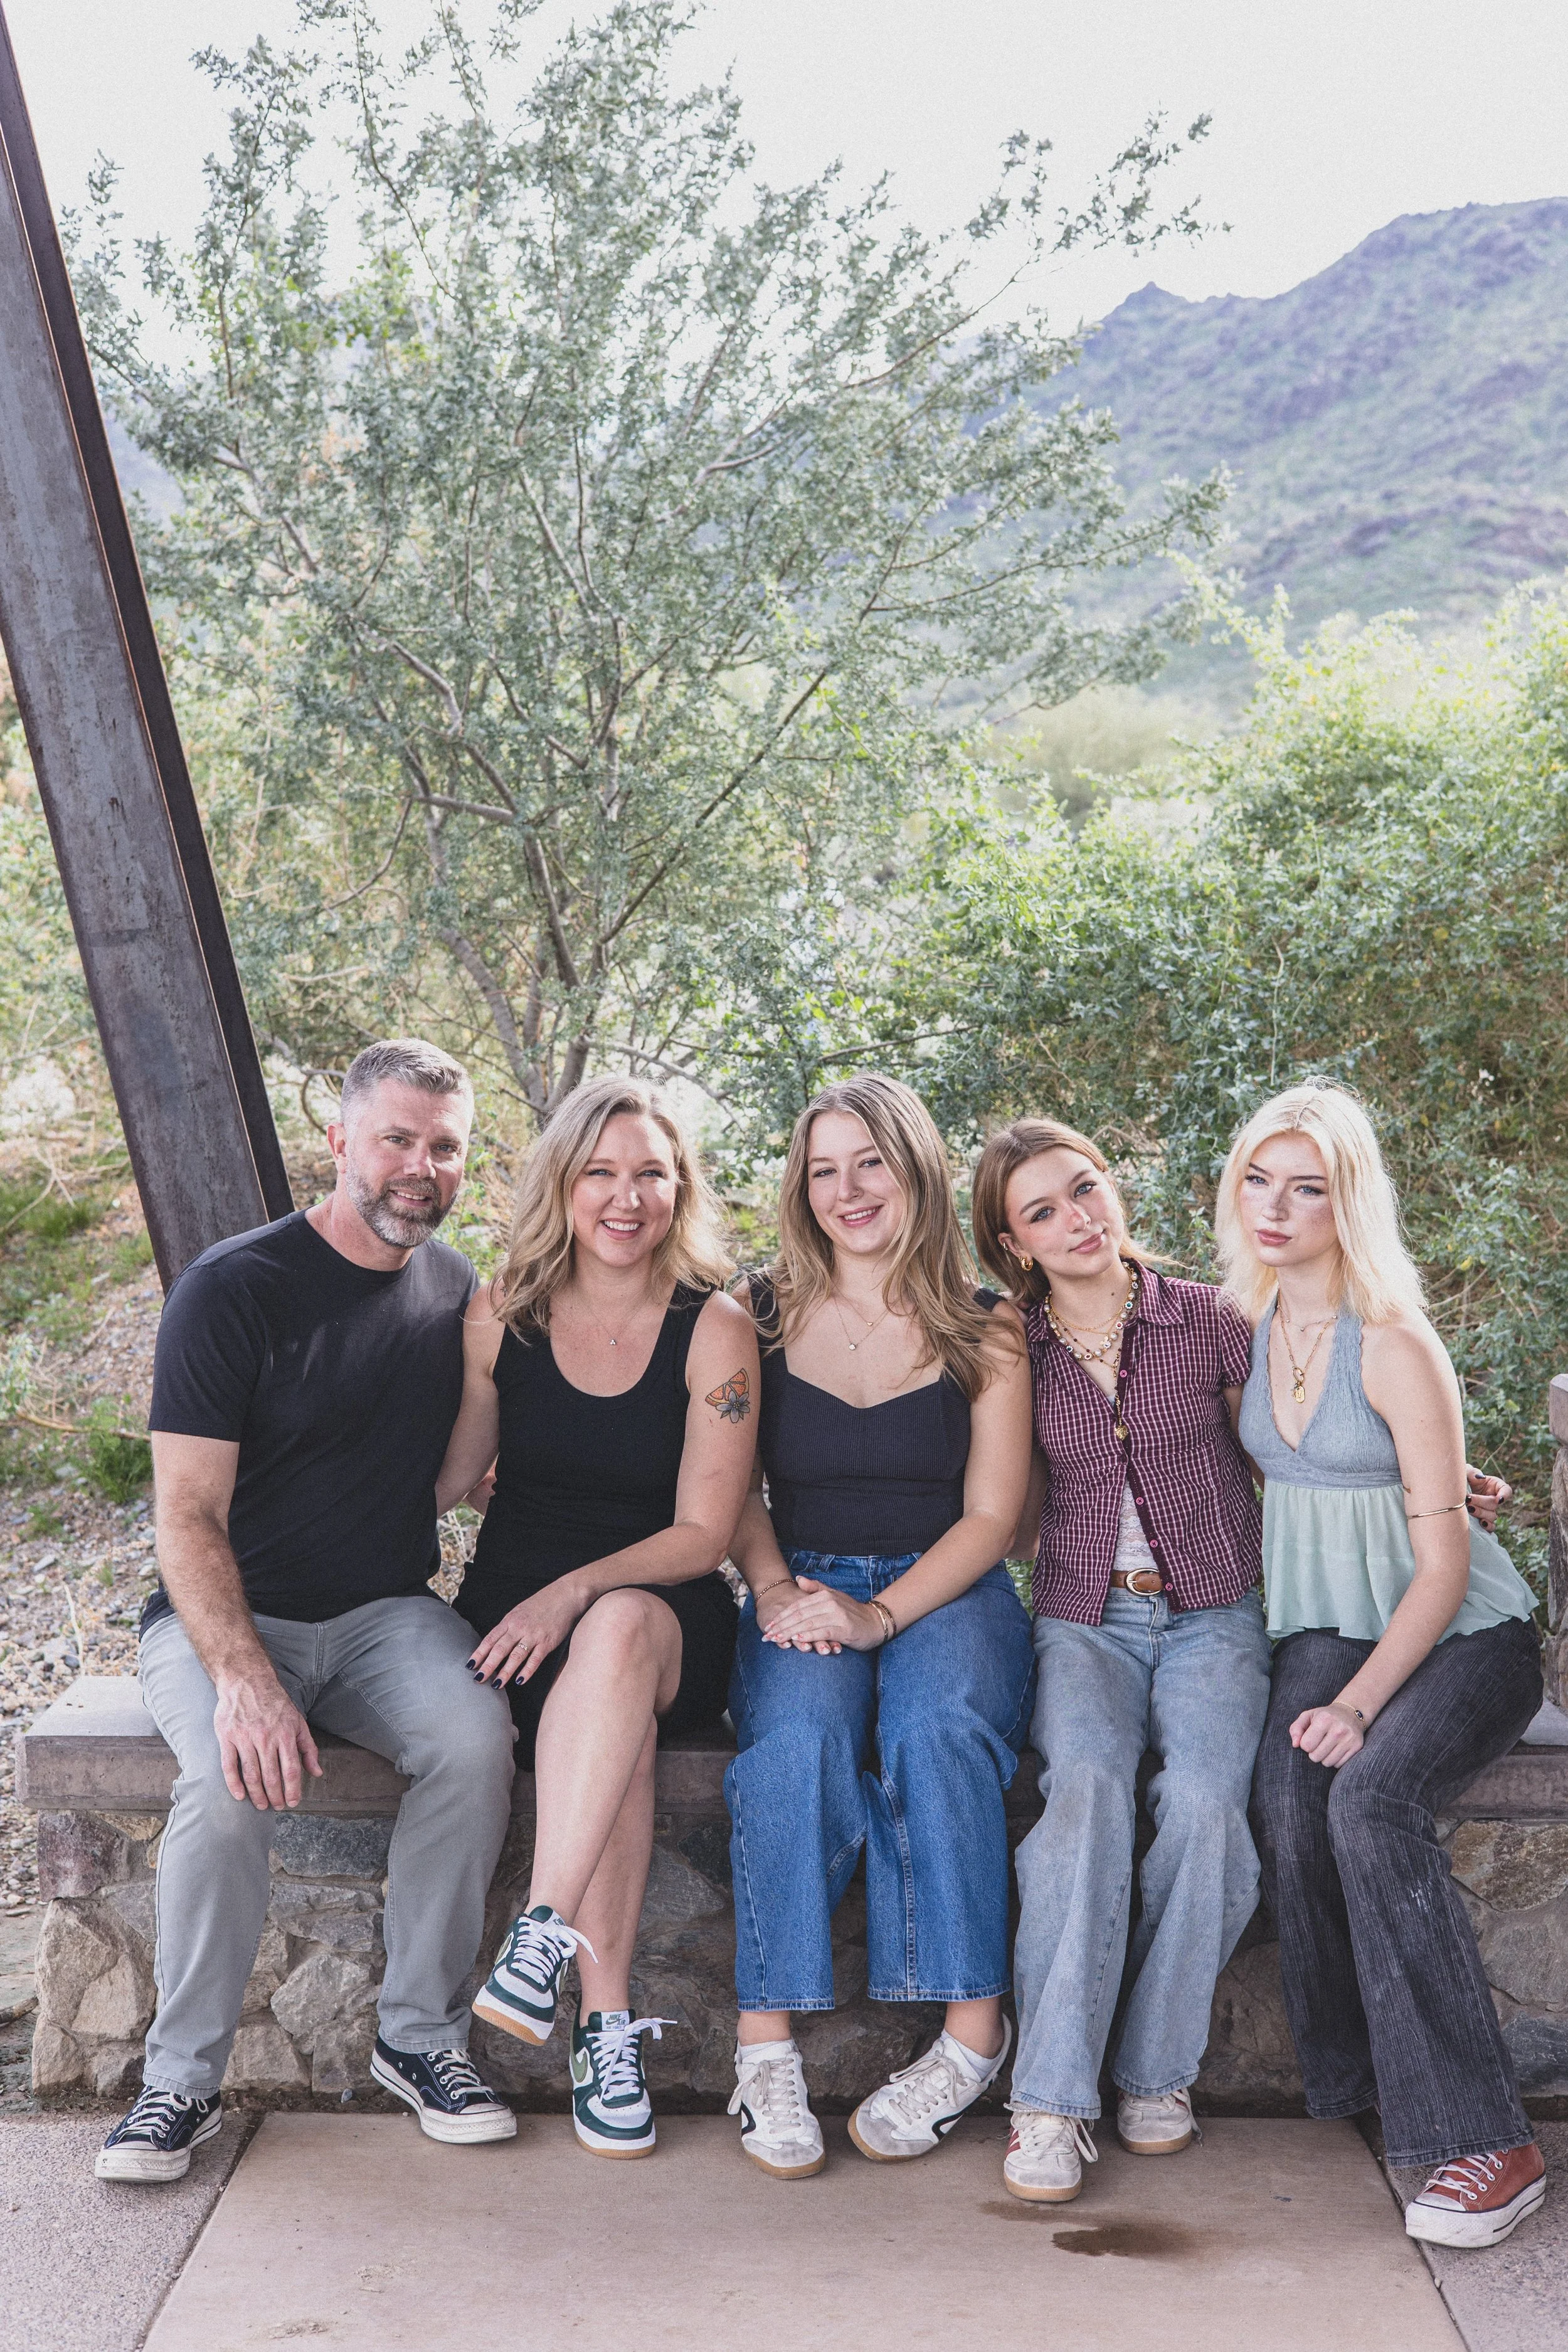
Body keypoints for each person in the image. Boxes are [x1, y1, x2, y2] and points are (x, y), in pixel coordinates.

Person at [98, 1040, 518, 2183]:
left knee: (476, 1739)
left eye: (445, 1148)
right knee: (229, 1785)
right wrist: (244, 1679)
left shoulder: (455, 1292)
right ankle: (177, 2083)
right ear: (338, 1140)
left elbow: (450, 1469)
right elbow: (185, 1512)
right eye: (397, 1138)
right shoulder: (236, 1287)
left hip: (386, 1612)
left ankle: (421, 2038)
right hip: (230, 1615)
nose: (419, 1167)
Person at [1226, 1082, 1547, 2250]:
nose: (1278, 1205)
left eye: (1307, 1186)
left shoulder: (1397, 1340)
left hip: (1461, 1637)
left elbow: (1447, 1573)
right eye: (1261, 1177)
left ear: (1347, 1201)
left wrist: (1360, 1706)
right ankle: (1360, 2080)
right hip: (1332, 1624)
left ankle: (1489, 2141)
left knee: (1369, 1797)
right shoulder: (1246, 1328)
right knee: (1284, 1797)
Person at [723, 1076, 1035, 2180]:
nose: (848, 1189)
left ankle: (970, 2038)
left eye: (871, 1163)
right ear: (800, 1189)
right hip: (798, 1585)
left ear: (917, 1171)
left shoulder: (988, 1325)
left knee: (938, 1731)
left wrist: (884, 1613)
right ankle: (765, 2052)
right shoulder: (753, 1314)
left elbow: (995, 1514)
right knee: (798, 1742)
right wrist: (775, 1592)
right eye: (824, 1169)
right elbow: (731, 1488)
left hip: (946, 1589)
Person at [443, 1077, 756, 2159]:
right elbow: (454, 1472)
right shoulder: (503, 1310)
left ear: (681, 1188)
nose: (628, 1198)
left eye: (651, 1174)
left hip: (664, 1613)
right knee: (605, 1727)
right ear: (563, 1184)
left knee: (616, 1635)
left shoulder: (714, 1324)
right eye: (602, 1173)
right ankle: (604, 2024)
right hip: (512, 1624)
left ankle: (540, 1933)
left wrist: (576, 1587)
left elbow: (706, 1532)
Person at [969, 1116, 1274, 2206]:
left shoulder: (1211, 1317)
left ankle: (1153, 2071)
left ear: (1115, 1188)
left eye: (1085, 1189)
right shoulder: (1012, 1345)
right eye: (1041, 1210)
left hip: (1213, 1612)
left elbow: (1278, 1455)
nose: (1076, 1219)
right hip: (1079, 1615)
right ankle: (1049, 2101)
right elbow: (1001, 1507)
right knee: (1087, 1792)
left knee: (1202, 1806)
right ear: (1014, 1243)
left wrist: (1437, 1481)